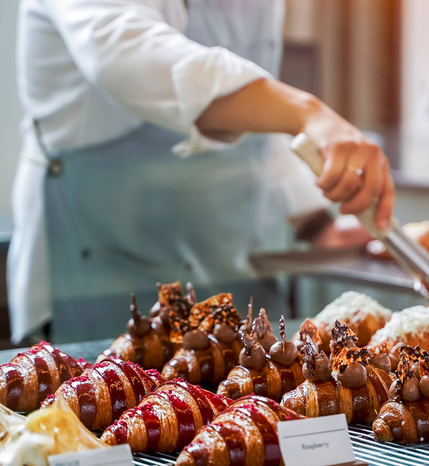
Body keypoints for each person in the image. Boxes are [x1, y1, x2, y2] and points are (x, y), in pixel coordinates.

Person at [8, 0, 395, 343]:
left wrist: (313, 222)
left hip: (225, 262)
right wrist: (307, 112)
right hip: (102, 267)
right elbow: (128, 53)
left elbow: (255, 115)